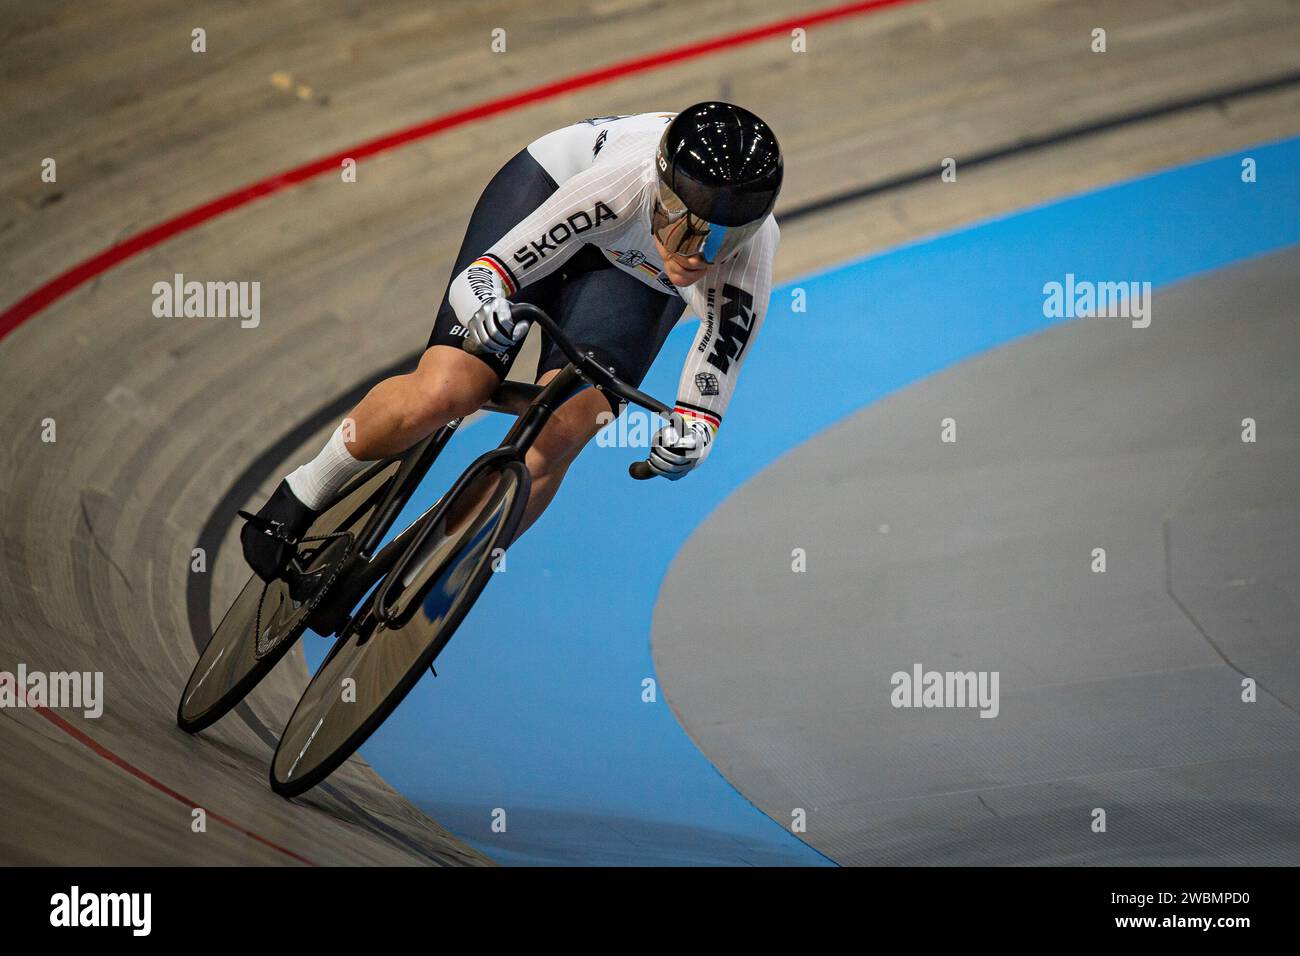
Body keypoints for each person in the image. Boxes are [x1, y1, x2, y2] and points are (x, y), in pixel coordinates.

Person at [241, 102, 783, 580]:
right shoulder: (617, 185)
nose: (698, 258)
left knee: (570, 425)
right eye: (688, 231)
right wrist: (485, 308)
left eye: (725, 241)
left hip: (633, 272)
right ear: (662, 196)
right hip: (553, 190)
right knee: (450, 389)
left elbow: (712, 378)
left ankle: (434, 580)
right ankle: (301, 494)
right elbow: (484, 276)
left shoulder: (750, 254)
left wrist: (690, 442)